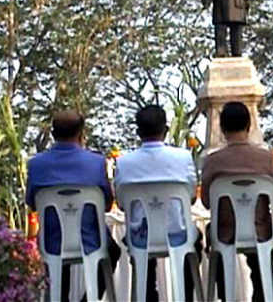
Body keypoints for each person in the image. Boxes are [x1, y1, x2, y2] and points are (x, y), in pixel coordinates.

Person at [25, 110, 120, 302]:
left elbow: (32, 203)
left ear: (53, 134)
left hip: (52, 241)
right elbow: (107, 205)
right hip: (91, 240)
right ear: (81, 133)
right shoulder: (96, 163)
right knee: (114, 251)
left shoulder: (36, 164)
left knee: (58, 257)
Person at [114, 105, 201, 302]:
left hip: (140, 237)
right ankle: (186, 295)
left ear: (138, 132)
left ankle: (147, 295)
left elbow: (121, 204)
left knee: (142, 246)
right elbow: (191, 197)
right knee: (194, 242)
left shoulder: (124, 163)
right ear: (166, 130)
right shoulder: (183, 158)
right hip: (178, 234)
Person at [201, 101, 273, 302]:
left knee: (213, 236)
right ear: (249, 125)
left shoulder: (212, 161)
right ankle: (262, 292)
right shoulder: (266, 158)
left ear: (222, 128)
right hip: (261, 231)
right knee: (259, 244)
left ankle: (225, 295)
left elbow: (207, 202)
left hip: (224, 233)